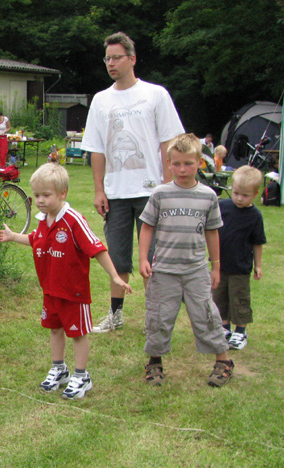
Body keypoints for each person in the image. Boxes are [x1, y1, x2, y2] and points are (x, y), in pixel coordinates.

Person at [0, 163, 132, 399]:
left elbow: (97, 248)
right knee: (55, 329)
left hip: (73, 292)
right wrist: (13, 236)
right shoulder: (43, 219)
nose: (40, 200)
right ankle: (59, 369)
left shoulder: (73, 220)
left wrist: (114, 276)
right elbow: (36, 239)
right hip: (51, 291)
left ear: (62, 194)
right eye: (37, 195)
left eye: (46, 195)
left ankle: (81, 375)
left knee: (78, 334)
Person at [82, 31, 184, 333]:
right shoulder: (101, 100)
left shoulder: (155, 95)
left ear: (132, 59)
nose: (111, 64)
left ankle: (155, 317)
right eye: (107, 59)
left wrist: (168, 186)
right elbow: (97, 149)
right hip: (116, 193)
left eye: (117, 58)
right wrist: (99, 190)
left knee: (153, 258)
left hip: (151, 191)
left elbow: (169, 142)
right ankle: (115, 314)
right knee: (117, 257)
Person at [138, 133, 233, 387]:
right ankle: (154, 362)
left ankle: (223, 362)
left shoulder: (208, 196)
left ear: (199, 163)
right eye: (176, 163)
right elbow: (147, 227)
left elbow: (212, 232)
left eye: (188, 164)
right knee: (159, 316)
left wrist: (216, 266)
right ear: (169, 164)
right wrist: (143, 258)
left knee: (206, 315)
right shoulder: (160, 194)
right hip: (164, 270)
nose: (182, 169)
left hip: (196, 271)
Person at [212, 166, 266, 350]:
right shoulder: (223, 207)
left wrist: (258, 265)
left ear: (255, 194)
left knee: (239, 299)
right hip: (220, 265)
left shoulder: (255, 216)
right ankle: (224, 328)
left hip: (240, 268)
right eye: (235, 193)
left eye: (245, 195)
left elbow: (258, 242)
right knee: (219, 297)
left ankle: (240, 332)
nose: (239, 198)